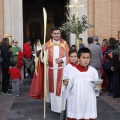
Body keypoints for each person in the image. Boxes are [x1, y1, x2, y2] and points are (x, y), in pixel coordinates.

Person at [65, 48, 100, 120]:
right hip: (76, 101)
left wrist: (98, 87)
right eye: (83, 57)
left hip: (89, 101)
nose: (86, 60)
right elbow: (68, 89)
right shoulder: (73, 71)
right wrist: (66, 83)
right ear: (78, 58)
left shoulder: (93, 71)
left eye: (88, 58)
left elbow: (96, 90)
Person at [42, 27, 69, 113]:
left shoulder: (64, 44)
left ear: (60, 34)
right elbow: (43, 59)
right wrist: (42, 51)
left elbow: (69, 56)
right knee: (52, 90)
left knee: (60, 90)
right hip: (50, 70)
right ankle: (53, 106)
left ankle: (61, 107)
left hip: (61, 70)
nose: (57, 35)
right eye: (55, 33)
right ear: (52, 34)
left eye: (58, 33)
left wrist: (62, 60)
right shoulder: (47, 44)